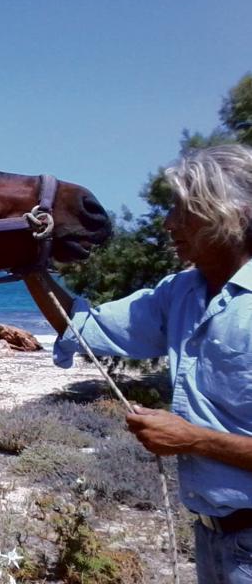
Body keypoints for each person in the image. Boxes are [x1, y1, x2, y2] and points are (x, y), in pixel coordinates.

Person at [23, 144, 252, 584]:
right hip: (212, 539)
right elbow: (82, 327)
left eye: (182, 209)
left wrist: (193, 440)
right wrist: (29, 263)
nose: (168, 223)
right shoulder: (179, 293)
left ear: (231, 213)